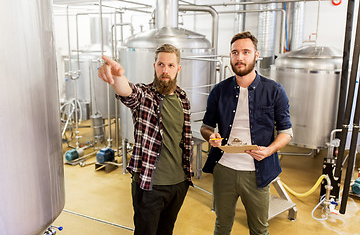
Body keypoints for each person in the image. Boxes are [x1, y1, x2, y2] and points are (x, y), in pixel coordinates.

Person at [200, 31, 293, 235]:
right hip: (224, 169)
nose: (239, 57)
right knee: (222, 226)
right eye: (235, 52)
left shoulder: (275, 91)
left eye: (245, 52)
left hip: (257, 172)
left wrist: (269, 150)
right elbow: (205, 127)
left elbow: (286, 132)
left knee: (259, 229)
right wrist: (211, 137)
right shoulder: (219, 91)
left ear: (256, 55)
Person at [98, 44, 193, 235]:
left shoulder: (183, 98)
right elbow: (128, 92)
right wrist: (117, 77)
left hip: (178, 183)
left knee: (166, 231)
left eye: (171, 65)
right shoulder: (146, 96)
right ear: (154, 66)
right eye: (161, 64)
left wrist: (184, 179)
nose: (165, 70)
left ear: (178, 68)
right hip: (150, 184)